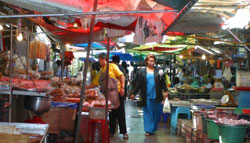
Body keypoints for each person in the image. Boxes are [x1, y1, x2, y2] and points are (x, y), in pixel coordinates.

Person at [85, 53, 128, 139]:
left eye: (99, 60)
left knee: (120, 113)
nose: (99, 62)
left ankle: (124, 132)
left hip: (117, 93)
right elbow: (95, 83)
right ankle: (111, 131)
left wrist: (122, 88)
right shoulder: (102, 70)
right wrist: (84, 87)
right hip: (108, 95)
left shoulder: (112, 66)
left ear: (102, 59)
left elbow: (122, 76)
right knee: (111, 113)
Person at [130, 53, 168, 136]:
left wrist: (166, 91)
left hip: (157, 95)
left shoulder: (158, 70)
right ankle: (148, 130)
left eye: (153, 61)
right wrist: (133, 93)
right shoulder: (142, 71)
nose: (152, 62)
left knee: (156, 113)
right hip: (146, 95)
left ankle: (153, 128)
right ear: (146, 61)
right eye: (150, 61)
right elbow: (138, 84)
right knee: (147, 113)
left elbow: (162, 82)